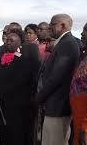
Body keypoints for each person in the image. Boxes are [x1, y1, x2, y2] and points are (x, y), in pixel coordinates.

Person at [35, 14, 80, 145]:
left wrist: (39, 97)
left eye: (52, 24)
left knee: (54, 141)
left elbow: (57, 77)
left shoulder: (67, 44)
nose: (49, 27)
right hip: (54, 103)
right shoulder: (64, 42)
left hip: (59, 105)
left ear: (63, 25)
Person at [0, 29, 41, 145]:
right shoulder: (2, 58)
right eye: (7, 40)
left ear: (20, 42)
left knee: (18, 134)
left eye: (12, 40)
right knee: (5, 133)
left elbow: (24, 81)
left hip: (20, 105)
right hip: (4, 104)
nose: (8, 42)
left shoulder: (26, 59)